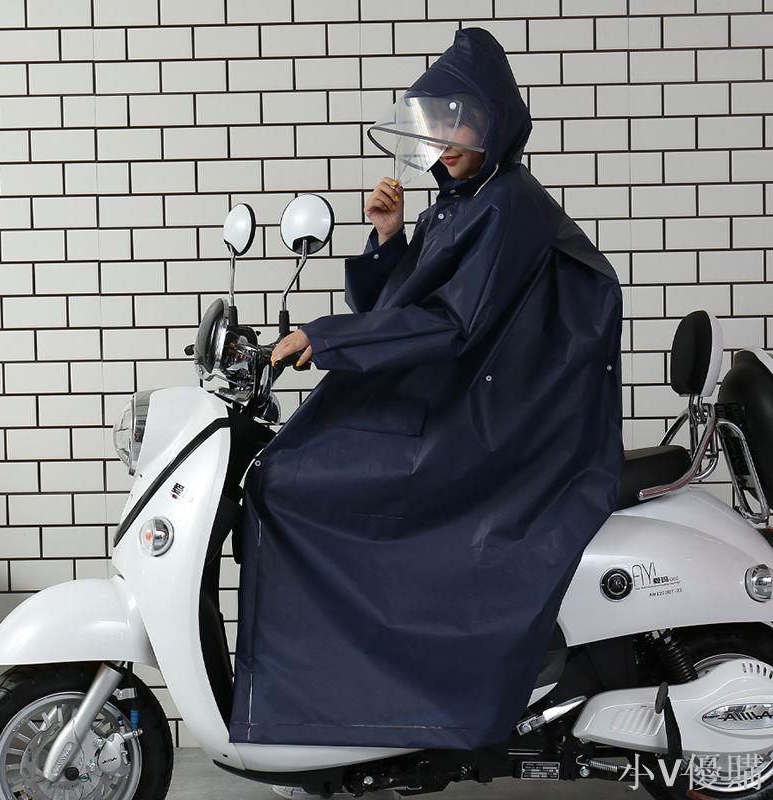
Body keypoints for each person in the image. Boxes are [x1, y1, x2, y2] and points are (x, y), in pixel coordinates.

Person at [229, 25, 624, 762]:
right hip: (457, 401)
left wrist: (327, 337)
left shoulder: (509, 206)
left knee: (294, 484)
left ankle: (366, 705)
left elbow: (448, 325)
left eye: (460, 121)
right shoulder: (464, 200)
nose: (446, 138)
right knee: (289, 475)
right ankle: (341, 695)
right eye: (439, 122)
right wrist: (387, 237)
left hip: (490, 425)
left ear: (497, 122)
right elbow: (409, 302)